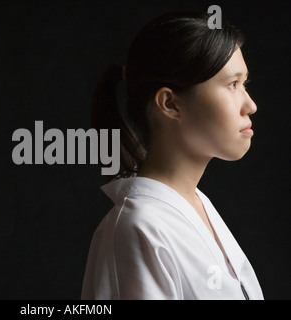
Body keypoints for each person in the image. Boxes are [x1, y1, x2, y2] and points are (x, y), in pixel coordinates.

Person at [81, 11, 264, 300]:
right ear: (170, 103)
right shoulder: (138, 227)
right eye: (232, 84)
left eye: (245, 84)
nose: (250, 105)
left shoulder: (197, 205)